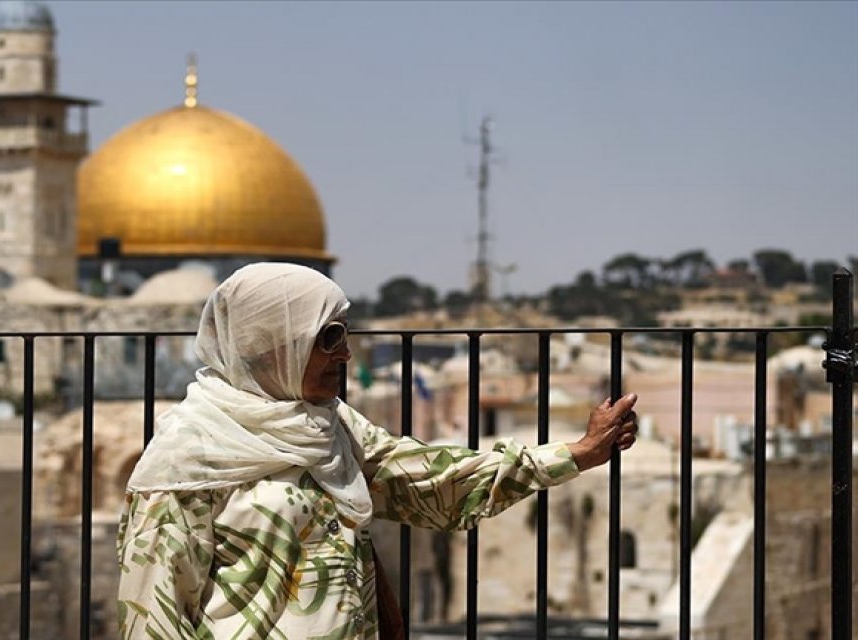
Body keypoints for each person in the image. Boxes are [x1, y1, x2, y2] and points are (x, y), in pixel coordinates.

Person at [116, 263, 637, 639]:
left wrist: (577, 454)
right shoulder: (188, 455)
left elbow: (432, 482)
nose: (345, 352)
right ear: (272, 342)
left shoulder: (332, 427)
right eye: (329, 336)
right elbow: (152, 612)